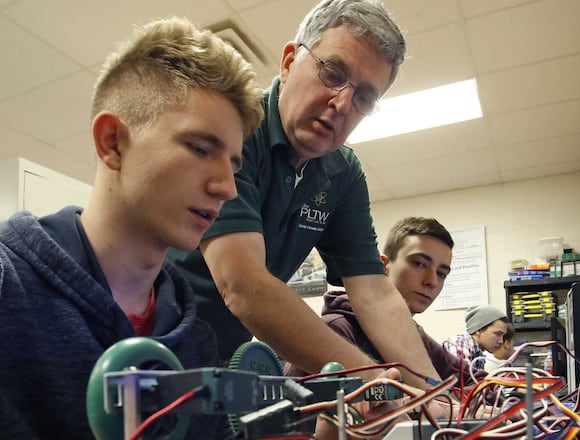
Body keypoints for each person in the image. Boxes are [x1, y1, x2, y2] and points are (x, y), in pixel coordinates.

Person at [0, 17, 264, 438]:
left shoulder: (195, 341)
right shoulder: (8, 288)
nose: (227, 188)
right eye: (200, 148)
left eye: (233, 164)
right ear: (112, 142)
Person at [168, 0, 442, 388]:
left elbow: (376, 295)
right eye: (332, 73)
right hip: (144, 349)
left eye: (364, 97)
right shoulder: (237, 129)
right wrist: (379, 380)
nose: (342, 104)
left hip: (222, 365)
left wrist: (429, 389)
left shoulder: (342, 171)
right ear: (289, 61)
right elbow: (243, 286)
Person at [284, 216, 462, 379]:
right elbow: (291, 406)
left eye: (442, 274)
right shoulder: (337, 328)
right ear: (383, 265)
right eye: (419, 264)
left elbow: (471, 379)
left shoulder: (417, 336)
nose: (432, 281)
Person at [444, 305, 509, 373]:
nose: (501, 341)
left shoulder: (479, 354)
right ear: (479, 330)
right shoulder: (458, 344)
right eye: (497, 334)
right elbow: (463, 379)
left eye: (503, 335)